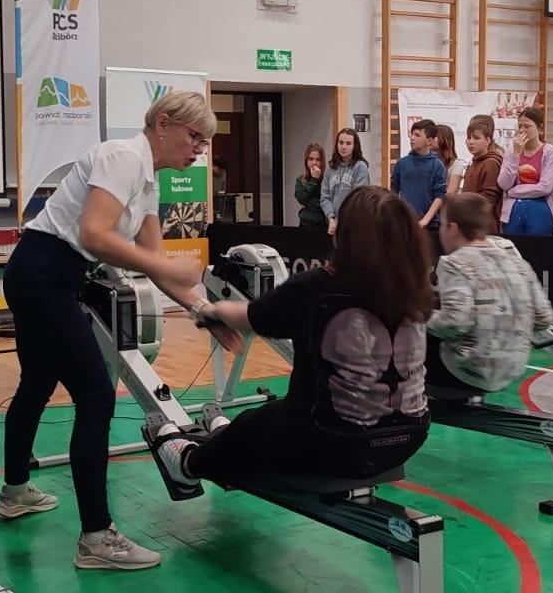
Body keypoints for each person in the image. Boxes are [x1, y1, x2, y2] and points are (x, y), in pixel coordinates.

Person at [0, 90, 243, 571]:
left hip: (47, 274)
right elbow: (95, 234)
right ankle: (96, 538)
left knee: (38, 383)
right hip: (43, 272)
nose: (200, 150)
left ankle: (15, 491)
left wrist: (203, 309)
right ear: (164, 123)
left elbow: (153, 263)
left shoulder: (148, 180)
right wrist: (167, 266)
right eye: (196, 137)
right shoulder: (122, 157)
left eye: (205, 142)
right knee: (95, 397)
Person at [150, 187, 435, 489]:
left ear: (346, 237)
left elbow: (251, 317)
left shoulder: (314, 287)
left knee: (251, 424)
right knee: (261, 425)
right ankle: (225, 441)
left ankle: (187, 465)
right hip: (410, 438)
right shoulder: (416, 292)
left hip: (330, 441)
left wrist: (211, 311)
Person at [427, 193, 553, 395]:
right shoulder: (518, 262)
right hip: (513, 369)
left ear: (453, 228)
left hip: (466, 370)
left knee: (415, 325)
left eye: (443, 225)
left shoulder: (454, 263)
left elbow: (454, 322)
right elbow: (544, 318)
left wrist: (423, 317)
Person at [498, 107, 553, 236]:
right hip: (514, 208)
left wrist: (514, 191)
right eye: (519, 126)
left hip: (540, 207)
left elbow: (545, 187)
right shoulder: (511, 150)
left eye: (527, 126)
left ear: (540, 128)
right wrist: (516, 155)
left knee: (537, 245)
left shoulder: (550, 152)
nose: (522, 130)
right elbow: (504, 184)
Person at [391, 119, 449, 228]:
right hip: (405, 223)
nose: (412, 138)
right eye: (412, 134)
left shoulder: (437, 165)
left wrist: (425, 220)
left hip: (430, 225)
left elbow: (439, 196)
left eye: (417, 135)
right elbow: (393, 191)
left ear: (429, 141)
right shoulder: (402, 163)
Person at [322, 127, 372, 235]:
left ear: (355, 146)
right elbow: (325, 197)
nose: (344, 147)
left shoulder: (360, 167)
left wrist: (340, 220)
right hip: (332, 224)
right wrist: (331, 218)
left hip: (352, 224)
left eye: (348, 143)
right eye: (341, 143)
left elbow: (357, 198)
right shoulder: (330, 168)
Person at [461, 114, 505, 228]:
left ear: (488, 140)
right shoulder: (474, 162)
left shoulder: (491, 163)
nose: (471, 142)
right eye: (469, 138)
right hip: (469, 221)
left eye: (476, 138)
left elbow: (489, 199)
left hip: (483, 224)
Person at [293, 142, 327, 230]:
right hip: (306, 224)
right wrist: (313, 180)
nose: (314, 163)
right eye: (311, 159)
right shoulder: (301, 180)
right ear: (306, 161)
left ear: (322, 162)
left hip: (323, 224)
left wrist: (310, 204)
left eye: (318, 160)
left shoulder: (328, 180)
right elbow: (301, 198)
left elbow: (325, 204)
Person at [434, 123, 468, 196]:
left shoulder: (456, 165)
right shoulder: (426, 160)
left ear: (444, 139)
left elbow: (450, 193)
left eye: (434, 136)